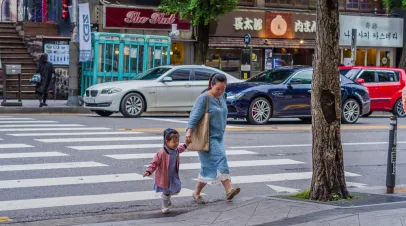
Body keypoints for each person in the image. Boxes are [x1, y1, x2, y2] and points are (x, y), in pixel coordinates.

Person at [186, 73, 240, 204]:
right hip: (207, 138)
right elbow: (194, 117)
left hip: (218, 137)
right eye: (218, 89)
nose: (221, 91)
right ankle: (229, 190)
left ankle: (196, 193)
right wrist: (188, 133)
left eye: (223, 89)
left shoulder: (223, 97)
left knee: (208, 168)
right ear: (212, 85)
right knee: (221, 159)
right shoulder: (203, 98)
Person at [143, 128, 190, 214]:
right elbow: (154, 163)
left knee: (177, 189)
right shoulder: (161, 153)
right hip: (164, 176)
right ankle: (164, 206)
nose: (176, 144)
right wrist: (149, 171)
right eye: (174, 142)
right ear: (167, 142)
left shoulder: (176, 150)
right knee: (166, 192)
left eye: (177, 141)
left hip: (173, 175)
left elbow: (181, 148)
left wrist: (186, 145)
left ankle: (167, 198)